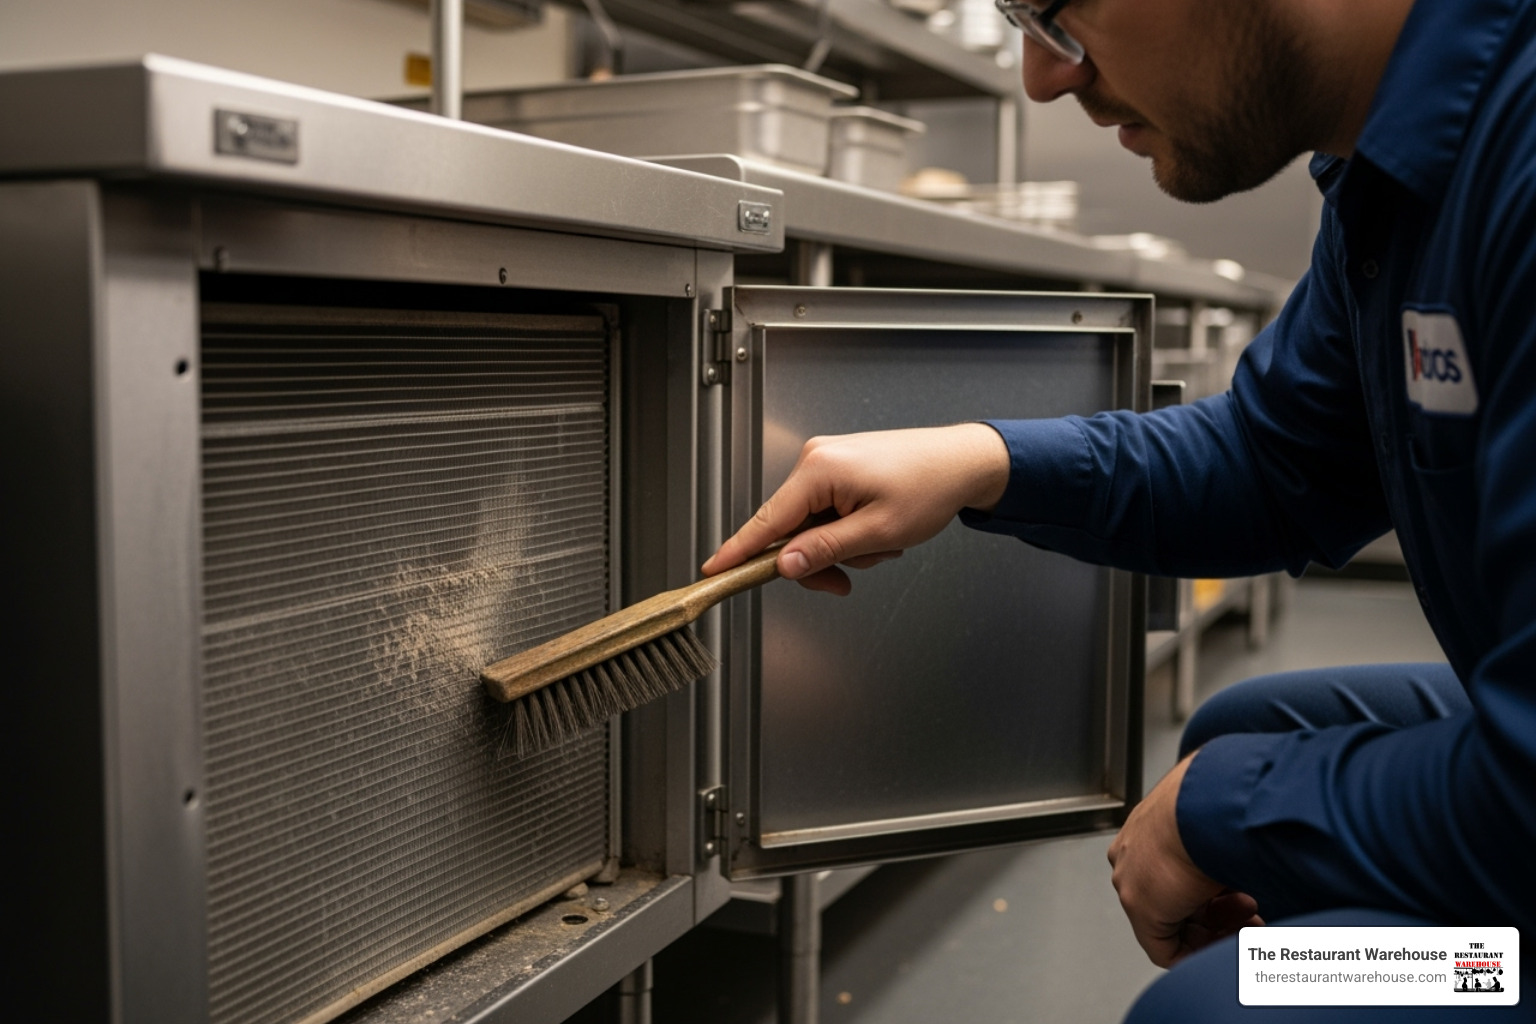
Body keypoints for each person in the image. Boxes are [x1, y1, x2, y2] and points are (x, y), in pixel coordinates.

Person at [702, 0, 1536, 1019]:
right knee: (1246, 724)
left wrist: (1215, 812)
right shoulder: (1395, 179)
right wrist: (985, 461)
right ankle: (1453, 971)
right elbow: (1275, 458)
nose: (1042, 78)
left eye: (1053, 10)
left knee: (1210, 1005)